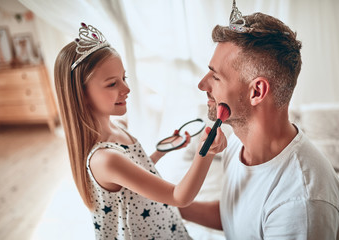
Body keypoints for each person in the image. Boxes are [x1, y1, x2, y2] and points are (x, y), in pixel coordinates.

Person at [179, 2, 339, 240]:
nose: (202, 85)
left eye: (216, 77)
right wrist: (173, 204)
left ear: (257, 92)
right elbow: (237, 214)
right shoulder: (239, 143)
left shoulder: (301, 206)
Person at [54, 23, 227, 240]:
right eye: (112, 84)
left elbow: (131, 178)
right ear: (82, 94)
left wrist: (160, 152)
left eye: (124, 78)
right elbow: (179, 197)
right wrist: (206, 153)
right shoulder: (104, 159)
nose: (126, 89)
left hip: (166, 227)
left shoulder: (117, 128)